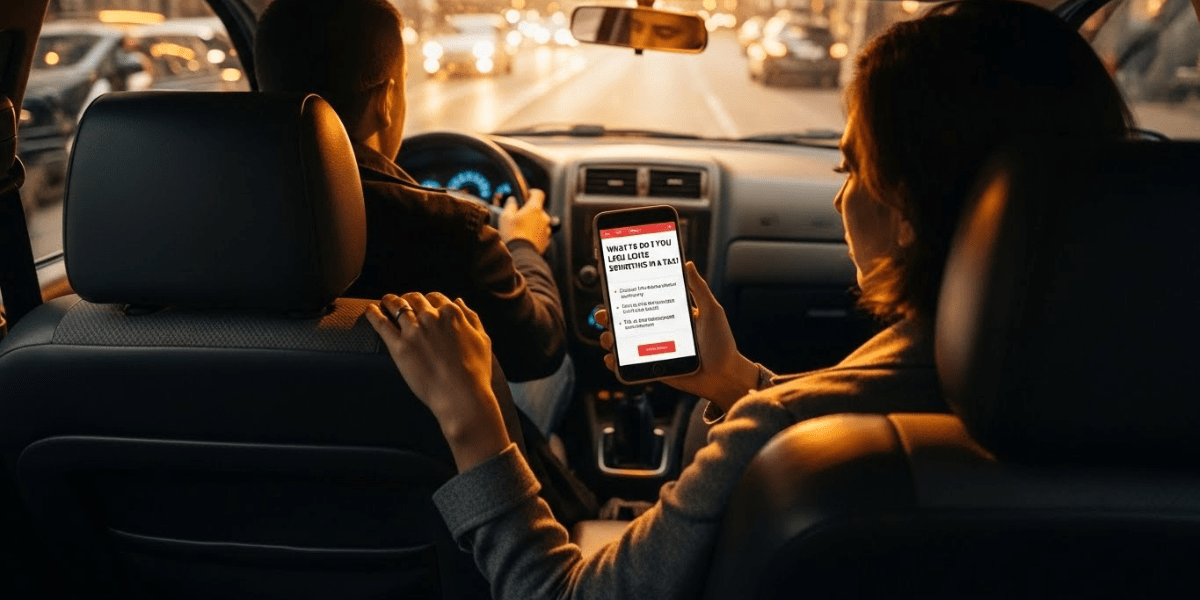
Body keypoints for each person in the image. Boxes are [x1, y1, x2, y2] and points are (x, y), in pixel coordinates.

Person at [366, 1, 1134, 598]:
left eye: (849, 167)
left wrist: (473, 422)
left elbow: (559, 594)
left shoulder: (785, 430)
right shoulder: (1149, 403)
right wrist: (739, 383)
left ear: (902, 210)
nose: (839, 202)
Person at [253, 0, 573, 437]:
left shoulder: (192, 219)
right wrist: (523, 246)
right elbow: (540, 349)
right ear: (386, 100)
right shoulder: (448, 229)